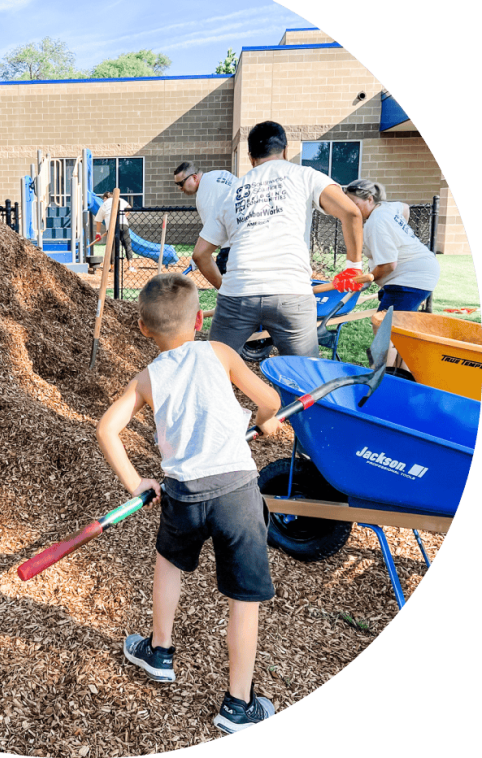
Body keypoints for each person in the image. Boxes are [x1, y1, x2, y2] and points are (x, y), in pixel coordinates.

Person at [96, 273, 283, 733]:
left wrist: (137, 482)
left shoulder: (146, 379)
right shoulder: (219, 353)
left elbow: (106, 430)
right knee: (243, 599)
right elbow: (270, 400)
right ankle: (238, 705)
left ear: (143, 328)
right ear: (201, 320)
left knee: (169, 561)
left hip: (183, 493)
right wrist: (267, 423)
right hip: (237, 492)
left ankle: (160, 651)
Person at [193, 121, 364, 358]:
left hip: (239, 293)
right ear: (285, 149)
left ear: (251, 157)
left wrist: (228, 288)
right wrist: (353, 268)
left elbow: (200, 255)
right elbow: (352, 212)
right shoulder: (304, 175)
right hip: (291, 292)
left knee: (214, 370)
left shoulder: (232, 191)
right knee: (304, 379)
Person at [344, 179, 440, 369]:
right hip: (419, 272)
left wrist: (370, 278)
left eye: (354, 204)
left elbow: (388, 265)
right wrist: (398, 234)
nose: (351, 209)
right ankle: (402, 374)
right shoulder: (386, 208)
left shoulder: (376, 223)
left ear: (370, 199)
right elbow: (405, 208)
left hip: (409, 279)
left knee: (383, 331)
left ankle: (380, 378)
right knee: (397, 330)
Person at [173, 162, 236, 285]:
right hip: (249, 244)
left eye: (181, 183)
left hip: (233, 251)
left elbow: (211, 235)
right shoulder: (219, 174)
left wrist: (197, 258)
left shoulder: (204, 195)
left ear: (195, 177)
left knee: (227, 294)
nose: (180, 188)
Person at [94, 191, 135, 272]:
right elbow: (129, 207)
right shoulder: (120, 200)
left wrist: (98, 233)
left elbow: (98, 221)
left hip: (111, 226)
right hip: (123, 224)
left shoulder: (104, 205)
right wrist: (125, 215)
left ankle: (113, 267)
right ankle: (130, 266)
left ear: (105, 198)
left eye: (103, 199)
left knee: (111, 246)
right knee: (127, 244)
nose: (103, 200)